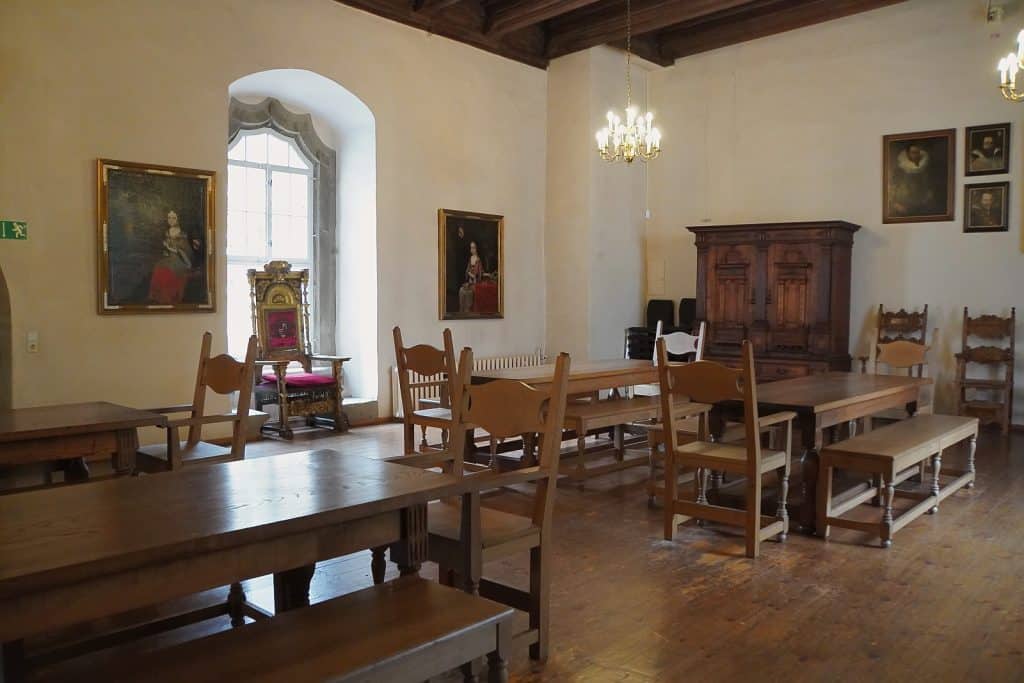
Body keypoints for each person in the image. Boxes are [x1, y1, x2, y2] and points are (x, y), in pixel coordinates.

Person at [148, 210, 198, 304]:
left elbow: (187, 252)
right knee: (158, 267)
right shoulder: (167, 232)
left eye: (173, 218)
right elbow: (165, 250)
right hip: (170, 258)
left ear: (178, 219)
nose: (171, 220)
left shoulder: (183, 234)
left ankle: (169, 299)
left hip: (182, 260)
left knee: (167, 272)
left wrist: (170, 249)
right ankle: (159, 298)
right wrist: (166, 251)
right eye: (169, 218)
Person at [889, 143, 943, 217]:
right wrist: (896, 204)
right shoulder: (899, 170)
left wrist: (928, 198)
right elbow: (892, 188)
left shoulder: (927, 169)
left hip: (923, 205)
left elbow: (931, 188)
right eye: (913, 152)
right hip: (903, 205)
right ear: (908, 154)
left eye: (918, 152)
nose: (916, 155)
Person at [458, 240, 484, 313]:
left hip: (476, 284)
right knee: (461, 291)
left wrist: (471, 274)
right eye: (471, 248)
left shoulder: (478, 260)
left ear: (477, 248)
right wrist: (469, 273)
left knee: (468, 293)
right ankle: (462, 310)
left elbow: (477, 274)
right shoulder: (470, 258)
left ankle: (468, 311)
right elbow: (467, 270)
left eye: (474, 248)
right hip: (470, 282)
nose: (472, 250)